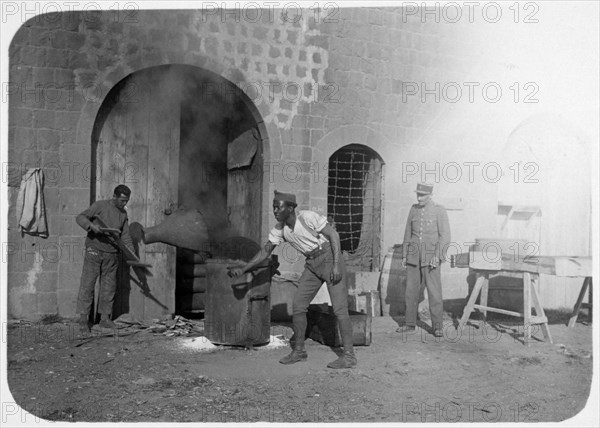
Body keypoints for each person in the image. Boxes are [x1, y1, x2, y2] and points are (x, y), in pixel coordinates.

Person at [229, 191, 356, 369]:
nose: (275, 210)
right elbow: (265, 252)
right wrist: (242, 269)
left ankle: (349, 356)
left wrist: (336, 265)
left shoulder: (308, 217)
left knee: (340, 309)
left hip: (329, 258)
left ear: (290, 208)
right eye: (273, 207)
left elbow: (334, 235)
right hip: (311, 263)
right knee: (298, 305)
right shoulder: (279, 229)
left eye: (278, 207)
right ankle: (299, 351)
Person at [75, 185, 134, 332]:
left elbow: (125, 236)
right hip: (94, 250)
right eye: (122, 200)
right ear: (114, 196)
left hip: (112, 254)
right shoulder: (100, 206)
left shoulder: (123, 215)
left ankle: (105, 319)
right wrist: (91, 226)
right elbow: (80, 217)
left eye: (126, 201)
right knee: (88, 284)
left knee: (109, 287)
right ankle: (83, 320)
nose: (124, 204)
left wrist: (132, 253)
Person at [397, 182, 451, 337]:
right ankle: (409, 323)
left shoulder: (439, 211)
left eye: (423, 195)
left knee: (434, 292)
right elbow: (408, 233)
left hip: (430, 257)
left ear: (430, 195)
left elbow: (445, 236)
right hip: (413, 256)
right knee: (410, 291)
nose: (419, 198)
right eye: (417, 195)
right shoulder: (413, 210)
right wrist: (405, 255)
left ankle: (438, 326)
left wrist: (438, 256)